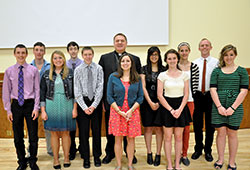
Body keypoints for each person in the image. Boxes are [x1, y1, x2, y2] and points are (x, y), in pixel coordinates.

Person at [99, 33, 141, 164]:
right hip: (112, 104)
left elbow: (138, 83)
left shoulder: (135, 59)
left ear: (126, 43)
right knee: (113, 133)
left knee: (130, 135)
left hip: (131, 106)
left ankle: (130, 156)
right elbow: (102, 82)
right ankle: (110, 153)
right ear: (113, 43)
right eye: (117, 41)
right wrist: (104, 103)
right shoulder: (104, 58)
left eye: (122, 41)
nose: (120, 43)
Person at [210, 45, 248, 170]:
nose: (228, 57)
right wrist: (219, 106)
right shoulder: (216, 71)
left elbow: (243, 91)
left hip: (235, 107)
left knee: (232, 134)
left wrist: (232, 108)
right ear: (223, 56)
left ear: (235, 55)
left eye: (231, 54)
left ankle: (232, 161)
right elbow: (213, 89)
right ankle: (220, 159)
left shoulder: (241, 71)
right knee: (220, 133)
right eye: (226, 55)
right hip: (218, 106)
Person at [2, 44, 40, 170]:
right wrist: (8, 110)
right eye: (18, 53)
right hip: (16, 105)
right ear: (14, 54)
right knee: (18, 137)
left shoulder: (33, 70)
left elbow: (37, 90)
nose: (21, 55)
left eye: (23, 52)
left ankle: (33, 160)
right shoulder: (9, 71)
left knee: (33, 136)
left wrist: (36, 108)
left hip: (30, 105)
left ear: (27, 54)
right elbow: (6, 92)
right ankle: (22, 162)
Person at [40, 51, 77, 170]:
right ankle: (56, 159)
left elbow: (76, 92)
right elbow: (42, 94)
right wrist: (43, 110)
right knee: (54, 133)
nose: (58, 60)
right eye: (55, 58)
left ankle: (66, 157)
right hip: (51, 104)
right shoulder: (46, 74)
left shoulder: (70, 72)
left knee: (66, 133)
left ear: (64, 59)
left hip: (67, 104)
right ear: (52, 60)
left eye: (60, 58)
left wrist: (75, 108)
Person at [107, 53, 143, 170]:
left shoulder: (137, 78)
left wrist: (131, 111)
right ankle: (118, 164)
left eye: (128, 61)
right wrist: (119, 111)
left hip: (133, 112)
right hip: (117, 112)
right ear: (120, 63)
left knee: (130, 139)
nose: (125, 63)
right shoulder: (113, 77)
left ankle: (130, 164)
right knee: (118, 139)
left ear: (131, 63)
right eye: (123, 61)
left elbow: (140, 97)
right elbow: (109, 96)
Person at [156, 49, 191, 170]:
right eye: (169, 58)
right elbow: (160, 95)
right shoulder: (162, 75)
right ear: (166, 60)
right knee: (167, 138)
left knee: (178, 137)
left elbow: (186, 94)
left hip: (181, 107)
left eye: (174, 58)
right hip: (167, 108)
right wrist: (171, 110)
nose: (172, 60)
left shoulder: (184, 75)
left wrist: (180, 109)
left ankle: (177, 163)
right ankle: (169, 164)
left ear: (178, 59)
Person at [74, 47, 103, 169]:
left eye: (90, 54)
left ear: (93, 55)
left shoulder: (98, 68)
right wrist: (85, 107)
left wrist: (94, 105)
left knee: (96, 131)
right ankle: (86, 157)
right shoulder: (78, 70)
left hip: (95, 103)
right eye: (85, 54)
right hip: (83, 103)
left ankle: (97, 156)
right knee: (83, 132)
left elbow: (100, 87)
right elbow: (77, 89)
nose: (88, 56)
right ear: (82, 55)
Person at [192, 38, 218, 162]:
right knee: (197, 125)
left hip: (210, 95)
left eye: (207, 45)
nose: (204, 47)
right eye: (202, 45)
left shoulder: (217, 63)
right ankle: (198, 149)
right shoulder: (194, 63)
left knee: (210, 125)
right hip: (197, 95)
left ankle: (208, 150)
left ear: (211, 47)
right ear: (199, 48)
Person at [140, 46, 165, 166]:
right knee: (148, 128)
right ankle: (149, 152)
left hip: (162, 102)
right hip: (147, 102)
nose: (154, 56)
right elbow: (143, 87)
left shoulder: (164, 69)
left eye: (156, 54)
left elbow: (165, 87)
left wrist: (159, 102)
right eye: (152, 54)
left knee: (159, 129)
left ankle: (158, 153)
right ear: (148, 56)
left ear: (159, 55)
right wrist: (150, 102)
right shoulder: (144, 69)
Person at [177, 42, 199, 166]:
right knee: (176, 129)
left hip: (190, 100)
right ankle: (176, 152)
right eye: (181, 50)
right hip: (176, 100)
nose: (184, 53)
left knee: (186, 128)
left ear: (189, 51)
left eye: (186, 50)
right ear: (178, 52)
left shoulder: (194, 66)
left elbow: (195, 87)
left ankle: (184, 154)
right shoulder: (174, 65)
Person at [30, 42, 52, 156]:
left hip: (46, 101)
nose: (39, 52)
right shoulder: (28, 66)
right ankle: (31, 152)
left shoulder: (49, 66)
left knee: (48, 127)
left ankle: (51, 149)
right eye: (37, 50)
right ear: (33, 51)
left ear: (44, 52)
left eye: (41, 50)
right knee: (31, 128)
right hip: (32, 101)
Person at [66, 41, 83, 160]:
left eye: (75, 49)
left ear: (78, 50)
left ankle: (83, 148)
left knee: (82, 125)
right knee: (71, 126)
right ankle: (72, 149)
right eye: (71, 49)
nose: (73, 51)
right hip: (69, 99)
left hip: (81, 99)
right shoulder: (64, 64)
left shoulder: (82, 63)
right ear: (68, 51)